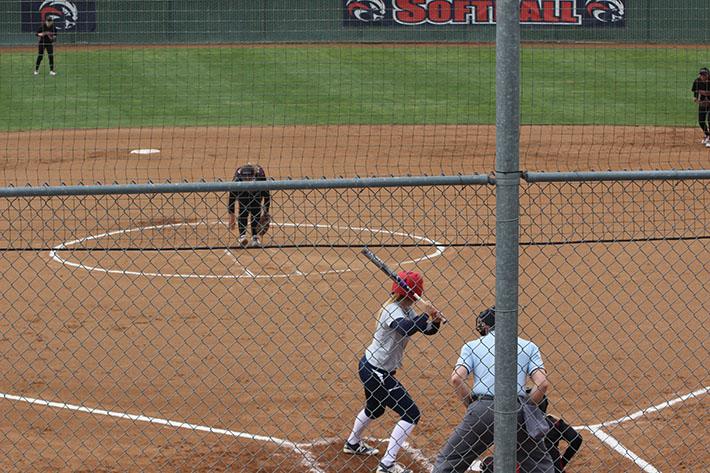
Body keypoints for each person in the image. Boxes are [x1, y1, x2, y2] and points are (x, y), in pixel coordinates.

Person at [431, 306, 554, 473]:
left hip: (483, 409)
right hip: (516, 409)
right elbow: (543, 384)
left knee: (449, 460)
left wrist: (472, 405)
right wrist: (526, 407)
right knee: (540, 465)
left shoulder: (472, 346)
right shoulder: (528, 346)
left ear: (487, 327)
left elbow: (456, 378)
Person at [343, 271, 444, 473]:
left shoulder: (407, 311)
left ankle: (353, 443)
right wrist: (425, 312)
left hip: (373, 368)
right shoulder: (392, 310)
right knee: (411, 414)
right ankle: (387, 465)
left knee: (376, 408)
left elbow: (427, 330)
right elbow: (405, 328)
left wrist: (435, 320)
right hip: (377, 373)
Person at [479, 393, 583, 473]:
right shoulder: (554, 423)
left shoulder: (515, 426)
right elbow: (576, 439)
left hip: (525, 469)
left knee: (488, 464)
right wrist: (560, 463)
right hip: (552, 469)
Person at [227, 163, 270, 247]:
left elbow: (267, 197)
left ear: (254, 175)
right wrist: (231, 215)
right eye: (245, 178)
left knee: (256, 210)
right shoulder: (237, 181)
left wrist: (265, 212)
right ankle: (242, 236)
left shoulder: (260, 179)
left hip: (256, 192)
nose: (247, 179)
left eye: (250, 177)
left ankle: (255, 237)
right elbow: (231, 198)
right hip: (242, 192)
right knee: (243, 211)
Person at [691, 67, 710, 146]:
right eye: (701, 75)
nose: (702, 76)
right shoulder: (697, 81)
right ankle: (707, 135)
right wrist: (695, 97)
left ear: (708, 75)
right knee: (701, 121)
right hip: (703, 103)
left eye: (704, 75)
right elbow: (695, 90)